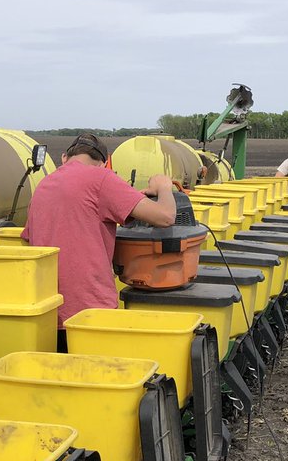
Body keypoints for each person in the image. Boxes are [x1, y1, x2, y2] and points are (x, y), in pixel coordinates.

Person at [23, 133, 176, 348]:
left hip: (46, 313)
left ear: (64, 158)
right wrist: (164, 187)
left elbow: (32, 239)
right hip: (90, 313)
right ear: (104, 163)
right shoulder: (101, 178)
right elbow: (165, 216)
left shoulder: (42, 187)